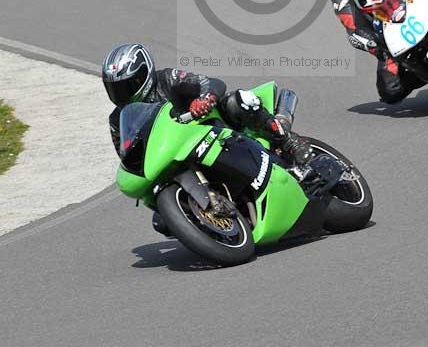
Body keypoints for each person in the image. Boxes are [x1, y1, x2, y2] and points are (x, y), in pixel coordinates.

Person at [102, 44, 313, 230]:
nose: (122, 93)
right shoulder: (117, 119)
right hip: (173, 154)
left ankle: (288, 141)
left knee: (238, 101)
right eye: (115, 88)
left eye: (128, 85)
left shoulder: (167, 79)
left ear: (144, 75)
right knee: (162, 221)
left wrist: (206, 98)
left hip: (213, 129)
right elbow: (127, 154)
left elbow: (211, 83)